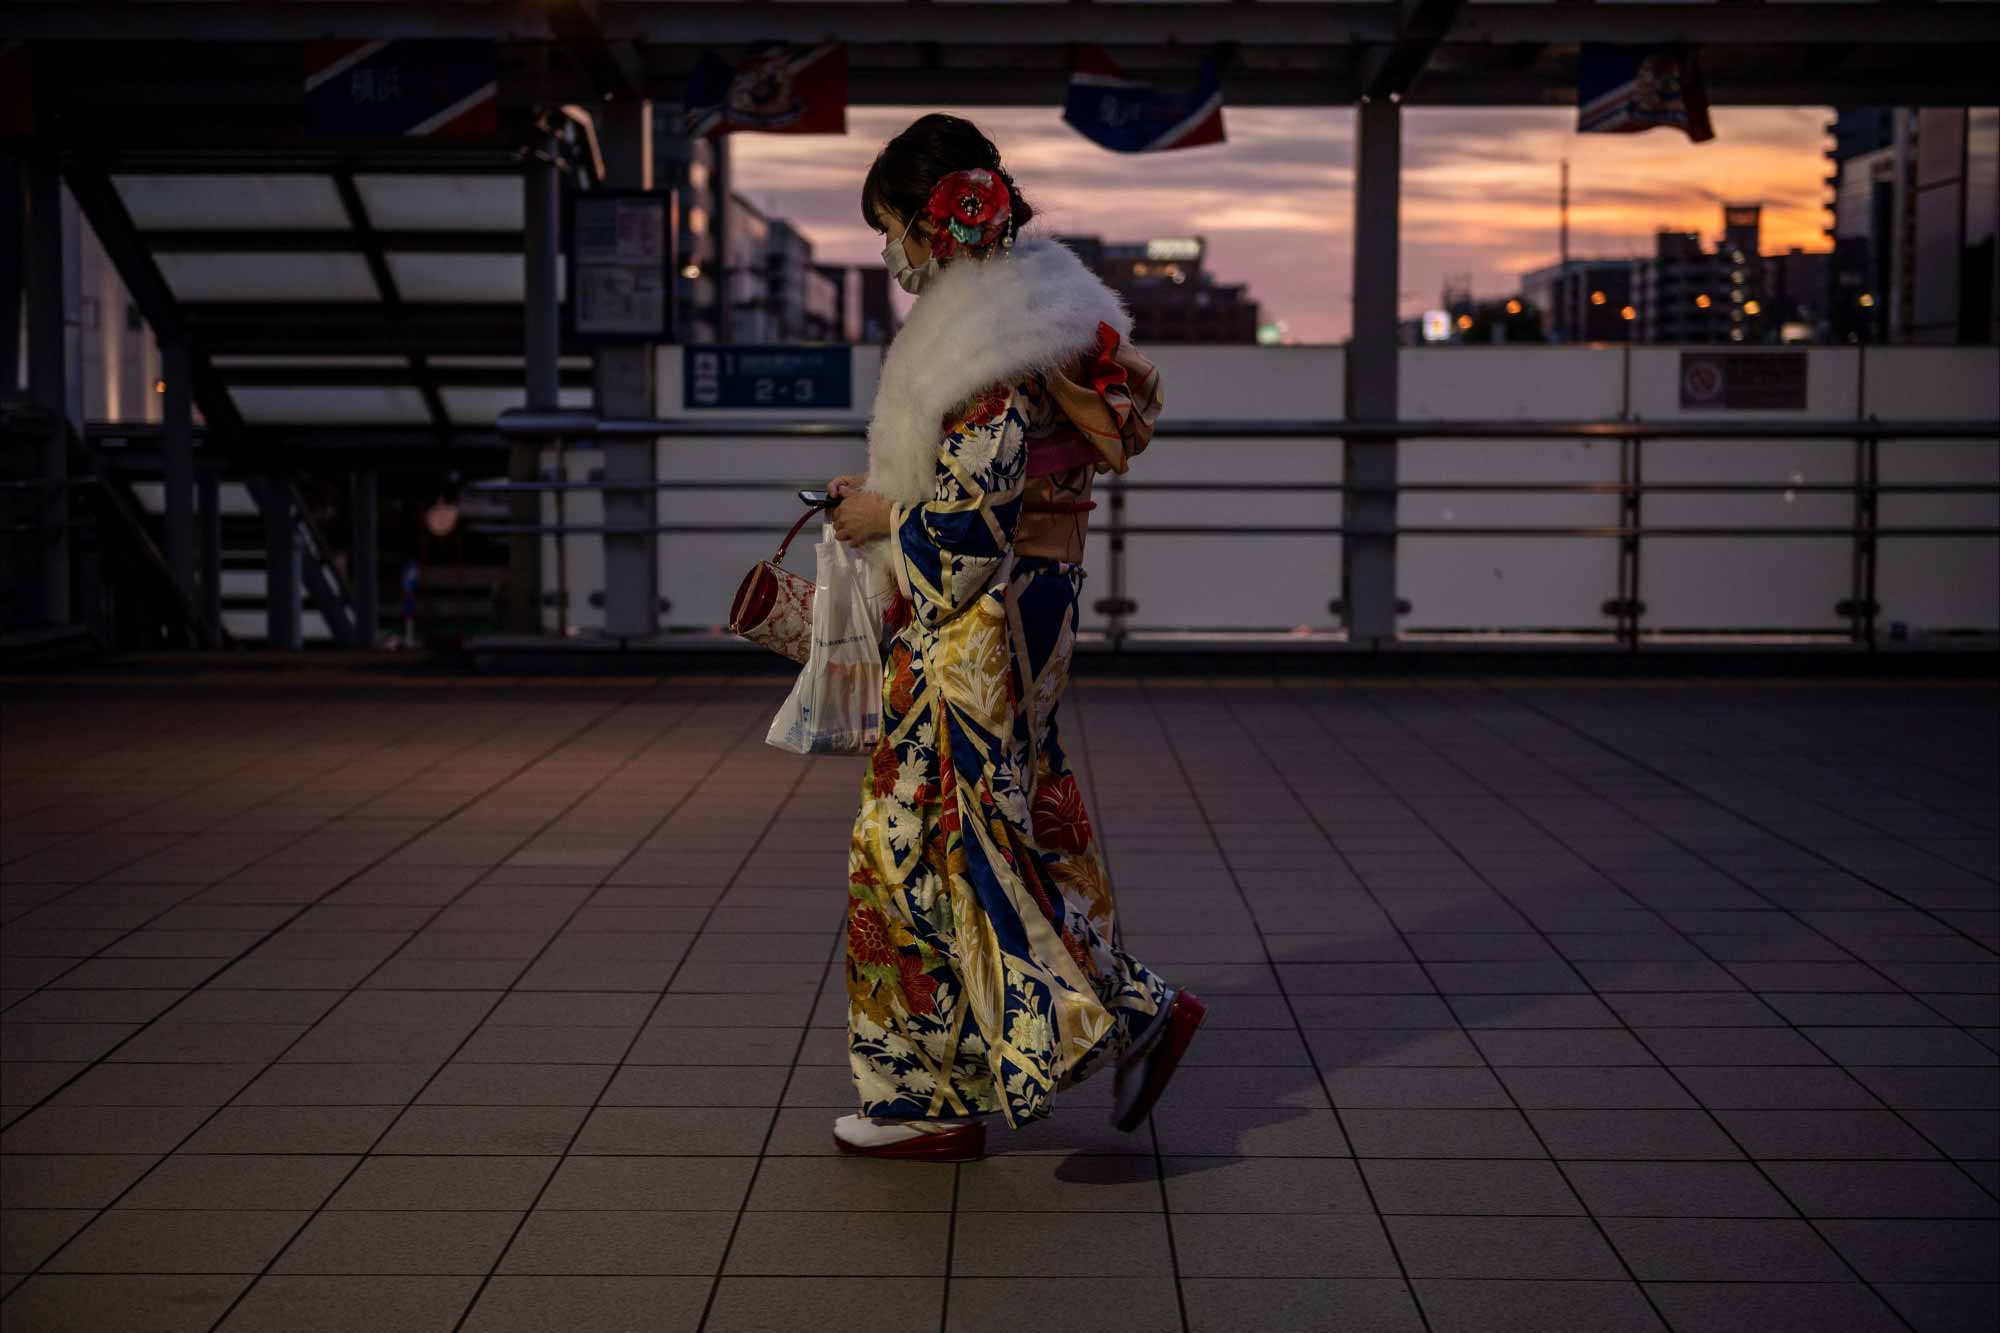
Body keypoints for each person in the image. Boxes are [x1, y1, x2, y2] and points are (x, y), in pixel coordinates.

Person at [821, 114, 1204, 1161]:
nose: (889, 250)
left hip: (975, 621)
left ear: (936, 222)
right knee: (982, 824)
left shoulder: (980, 346)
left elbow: (969, 529)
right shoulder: (1037, 311)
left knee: (914, 837)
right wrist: (893, 503)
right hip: (1032, 604)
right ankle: (1084, 1022)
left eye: (891, 226)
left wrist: (880, 518)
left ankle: (945, 1085)